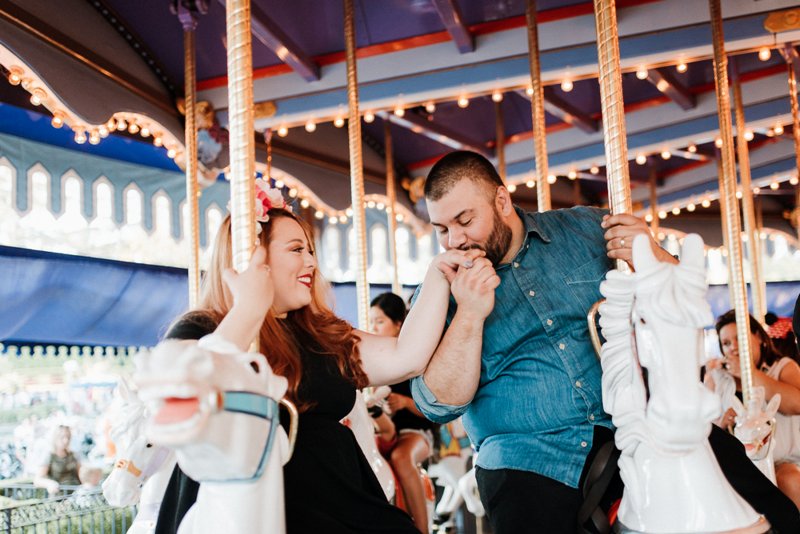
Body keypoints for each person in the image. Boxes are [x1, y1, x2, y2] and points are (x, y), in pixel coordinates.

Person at [409, 150, 800, 533]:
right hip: (528, 456)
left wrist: (651, 254)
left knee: (769, 510)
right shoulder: (440, 290)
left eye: (465, 221)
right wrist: (470, 314)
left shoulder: (584, 229)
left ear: (501, 200)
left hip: (638, 422)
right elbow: (438, 403)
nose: (454, 240)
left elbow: (680, 300)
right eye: (442, 229)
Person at [154, 186, 492, 534]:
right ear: (254, 256)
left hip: (339, 496)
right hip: (265, 503)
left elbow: (406, 357)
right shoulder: (206, 326)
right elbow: (177, 386)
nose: (312, 263)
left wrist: (438, 274)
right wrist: (248, 312)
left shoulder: (322, 334)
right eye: (297, 249)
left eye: (311, 250)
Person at [711, 310, 800, 509]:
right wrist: (722, 424)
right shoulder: (719, 379)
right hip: (741, 467)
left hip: (782, 461)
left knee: (789, 479)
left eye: (739, 338)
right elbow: (705, 427)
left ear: (758, 337)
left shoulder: (784, 367)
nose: (733, 347)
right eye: (726, 343)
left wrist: (749, 373)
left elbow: (797, 404)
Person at [369, 292, 437, 532]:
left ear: (398, 324)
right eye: (371, 322)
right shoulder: (375, 364)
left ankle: (422, 529)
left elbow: (437, 407)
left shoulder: (416, 360)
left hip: (415, 431)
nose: (373, 328)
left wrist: (405, 403)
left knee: (401, 457)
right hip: (387, 433)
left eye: (379, 321)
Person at [34, 425, 81, 495]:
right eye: (62, 437)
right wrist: (49, 484)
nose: (66, 440)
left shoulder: (73, 455)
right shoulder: (49, 456)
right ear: (55, 437)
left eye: (68, 437)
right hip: (59, 497)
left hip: (76, 494)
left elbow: (81, 474)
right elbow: (37, 480)